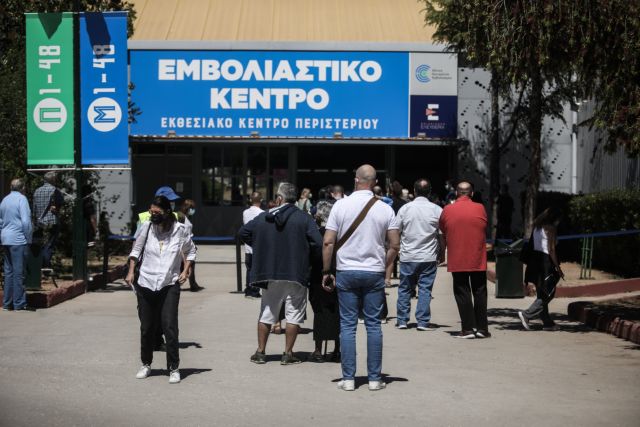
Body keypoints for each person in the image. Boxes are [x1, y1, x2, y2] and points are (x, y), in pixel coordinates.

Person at [322, 165, 400, 392]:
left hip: (346, 271)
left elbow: (328, 242)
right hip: (373, 272)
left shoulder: (340, 205)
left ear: (356, 180)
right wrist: (383, 264)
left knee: (347, 325)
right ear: (374, 182)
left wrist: (326, 271)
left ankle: (348, 379)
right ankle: (374, 379)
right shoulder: (385, 209)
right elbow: (395, 244)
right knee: (373, 325)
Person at [239, 183, 322, 365]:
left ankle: (260, 352)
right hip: (296, 272)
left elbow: (243, 232)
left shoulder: (264, 217)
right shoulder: (304, 218)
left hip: (270, 272)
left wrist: (262, 247)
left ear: (279, 199)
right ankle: (288, 353)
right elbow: (318, 243)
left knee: (267, 312)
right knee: (294, 314)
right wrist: (308, 259)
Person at [125, 196, 196, 384]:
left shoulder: (180, 230)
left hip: (169, 283)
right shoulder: (147, 227)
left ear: (167, 212)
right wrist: (131, 272)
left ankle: (173, 368)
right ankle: (146, 364)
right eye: (151, 211)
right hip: (146, 282)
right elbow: (135, 251)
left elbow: (191, 251)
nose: (153, 215)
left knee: (169, 326)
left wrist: (186, 270)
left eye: (157, 212)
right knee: (147, 327)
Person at [439, 181, 490, 339]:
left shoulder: (447, 209)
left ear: (456, 193)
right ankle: (482, 329)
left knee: (462, 292)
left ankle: (468, 328)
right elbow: (484, 226)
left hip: (457, 257)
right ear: (471, 193)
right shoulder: (480, 208)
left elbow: (443, 229)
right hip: (477, 257)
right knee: (480, 291)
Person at [394, 179, 443, 331]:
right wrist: (442, 253)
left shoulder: (405, 209)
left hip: (408, 256)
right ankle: (422, 322)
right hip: (428, 257)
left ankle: (402, 320)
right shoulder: (437, 210)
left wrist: (396, 249)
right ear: (429, 192)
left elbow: (396, 230)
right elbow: (442, 235)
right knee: (425, 289)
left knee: (404, 288)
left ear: (414, 191)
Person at [518, 207, 564, 331]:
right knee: (548, 293)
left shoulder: (537, 227)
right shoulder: (551, 229)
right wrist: (558, 268)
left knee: (542, 292)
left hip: (535, 261)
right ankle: (526, 314)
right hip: (545, 262)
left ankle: (547, 323)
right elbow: (551, 250)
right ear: (554, 218)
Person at [308, 185, 340, 363]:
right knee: (337, 311)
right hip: (338, 274)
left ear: (318, 216)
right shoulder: (339, 234)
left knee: (319, 312)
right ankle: (337, 350)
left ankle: (318, 350)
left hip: (317, 276)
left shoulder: (316, 234)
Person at [1, 179, 34, 312]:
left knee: (8, 272)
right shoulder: (22, 199)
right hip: (18, 239)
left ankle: (7, 303)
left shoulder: (5, 200)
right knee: (19, 272)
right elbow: (25, 221)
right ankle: (19, 303)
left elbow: (0, 220)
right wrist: (28, 237)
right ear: (23, 188)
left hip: (6, 238)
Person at [32, 171, 63, 271]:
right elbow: (60, 203)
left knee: (39, 244)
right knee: (49, 245)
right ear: (53, 180)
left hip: (39, 223)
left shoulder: (37, 191)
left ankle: (40, 267)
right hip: (51, 222)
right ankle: (46, 267)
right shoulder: (55, 191)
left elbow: (34, 209)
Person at [242, 192, 264, 299]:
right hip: (258, 246)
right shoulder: (262, 213)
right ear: (261, 200)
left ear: (250, 200)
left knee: (249, 269)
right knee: (257, 270)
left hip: (248, 246)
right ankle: (255, 291)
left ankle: (248, 290)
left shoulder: (245, 212)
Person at [179, 199, 203, 292]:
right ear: (188, 208)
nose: (193, 210)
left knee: (189, 265)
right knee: (188, 265)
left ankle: (193, 284)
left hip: (188, 245)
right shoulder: (182, 218)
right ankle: (191, 284)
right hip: (184, 247)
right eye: (192, 208)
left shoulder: (186, 217)